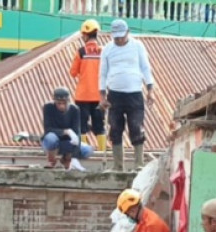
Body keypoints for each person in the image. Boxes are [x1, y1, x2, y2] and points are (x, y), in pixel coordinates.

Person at [99, 19, 154, 171]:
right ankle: (118, 165)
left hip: (134, 94)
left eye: (121, 37)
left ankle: (138, 164)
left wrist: (150, 90)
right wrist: (102, 96)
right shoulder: (107, 49)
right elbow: (102, 74)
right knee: (115, 128)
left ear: (128, 32)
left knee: (136, 126)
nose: (119, 40)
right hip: (114, 95)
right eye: (116, 37)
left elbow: (145, 68)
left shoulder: (137, 46)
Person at [70, 19, 107, 153]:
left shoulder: (81, 52)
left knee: (82, 126)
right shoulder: (103, 51)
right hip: (99, 96)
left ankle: (84, 152)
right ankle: (102, 153)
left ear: (85, 35)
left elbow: (73, 72)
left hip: (83, 96)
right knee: (99, 126)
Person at [41, 88, 92, 169]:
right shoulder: (48, 107)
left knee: (87, 150)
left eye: (64, 103)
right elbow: (48, 129)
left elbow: (77, 133)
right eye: (59, 103)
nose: (61, 106)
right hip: (52, 142)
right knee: (51, 138)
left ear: (68, 101)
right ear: (54, 102)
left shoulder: (74, 109)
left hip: (68, 142)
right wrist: (66, 131)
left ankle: (66, 159)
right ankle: (51, 161)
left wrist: (74, 157)